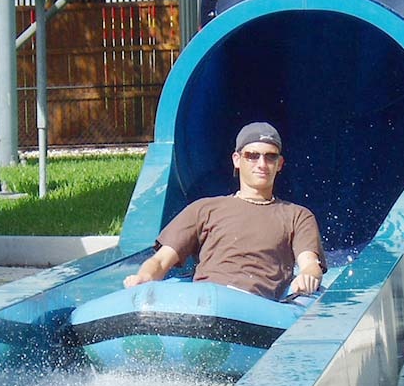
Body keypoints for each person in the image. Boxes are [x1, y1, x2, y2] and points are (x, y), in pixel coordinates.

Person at [123, 121, 326, 301]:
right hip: (204, 300)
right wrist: (145, 278)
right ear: (237, 159)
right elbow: (160, 260)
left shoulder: (297, 215)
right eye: (252, 156)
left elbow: (309, 264)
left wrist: (308, 276)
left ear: (279, 164)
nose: (262, 164)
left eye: (270, 157)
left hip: (256, 306)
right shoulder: (204, 209)